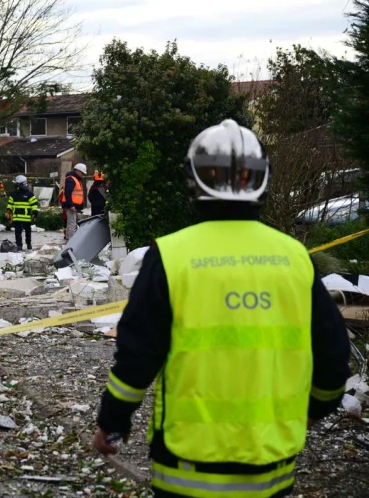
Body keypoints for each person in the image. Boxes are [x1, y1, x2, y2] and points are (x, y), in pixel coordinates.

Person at [92, 119, 350, 498]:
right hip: (270, 467)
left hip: (185, 467)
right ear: (263, 179)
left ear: (193, 180)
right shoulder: (295, 258)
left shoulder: (170, 255)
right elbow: (332, 360)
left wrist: (112, 422)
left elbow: (137, 356)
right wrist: (314, 411)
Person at [6, 175, 39, 252]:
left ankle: (28, 244)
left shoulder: (29, 194)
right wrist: (8, 211)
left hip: (26, 218)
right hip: (17, 217)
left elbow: (34, 205)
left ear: (21, 184)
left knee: (28, 232)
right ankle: (19, 246)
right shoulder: (13, 194)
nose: (15, 185)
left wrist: (35, 213)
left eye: (17, 184)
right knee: (18, 232)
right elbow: (10, 204)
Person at [61, 163, 88, 239]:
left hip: (73, 205)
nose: (83, 175)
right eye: (82, 173)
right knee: (72, 224)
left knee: (71, 223)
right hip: (71, 205)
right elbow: (68, 193)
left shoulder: (74, 179)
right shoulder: (71, 179)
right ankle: (71, 241)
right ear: (78, 171)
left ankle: (69, 239)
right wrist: (71, 205)